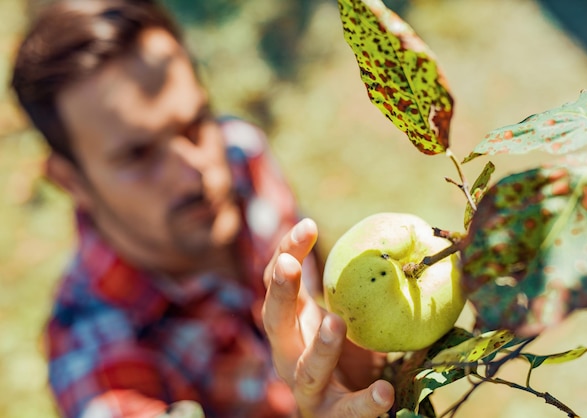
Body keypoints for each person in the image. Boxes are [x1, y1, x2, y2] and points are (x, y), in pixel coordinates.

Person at [11, 0, 395, 417]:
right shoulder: (93, 350)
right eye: (139, 155)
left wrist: (357, 359)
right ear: (71, 181)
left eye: (196, 123)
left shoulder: (243, 156)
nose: (195, 170)